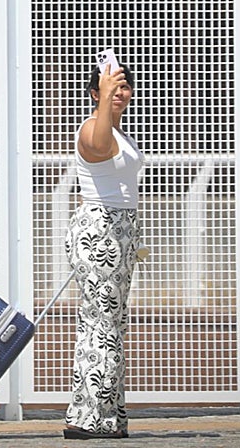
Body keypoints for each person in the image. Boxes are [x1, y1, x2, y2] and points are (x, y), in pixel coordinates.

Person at [63, 54, 143, 440]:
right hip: (99, 231)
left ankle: (108, 415)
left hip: (121, 231)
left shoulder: (121, 133)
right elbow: (97, 146)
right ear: (95, 92)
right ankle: (86, 416)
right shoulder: (94, 127)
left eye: (126, 86)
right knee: (101, 324)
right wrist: (104, 102)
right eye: (113, 86)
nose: (121, 92)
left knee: (112, 323)